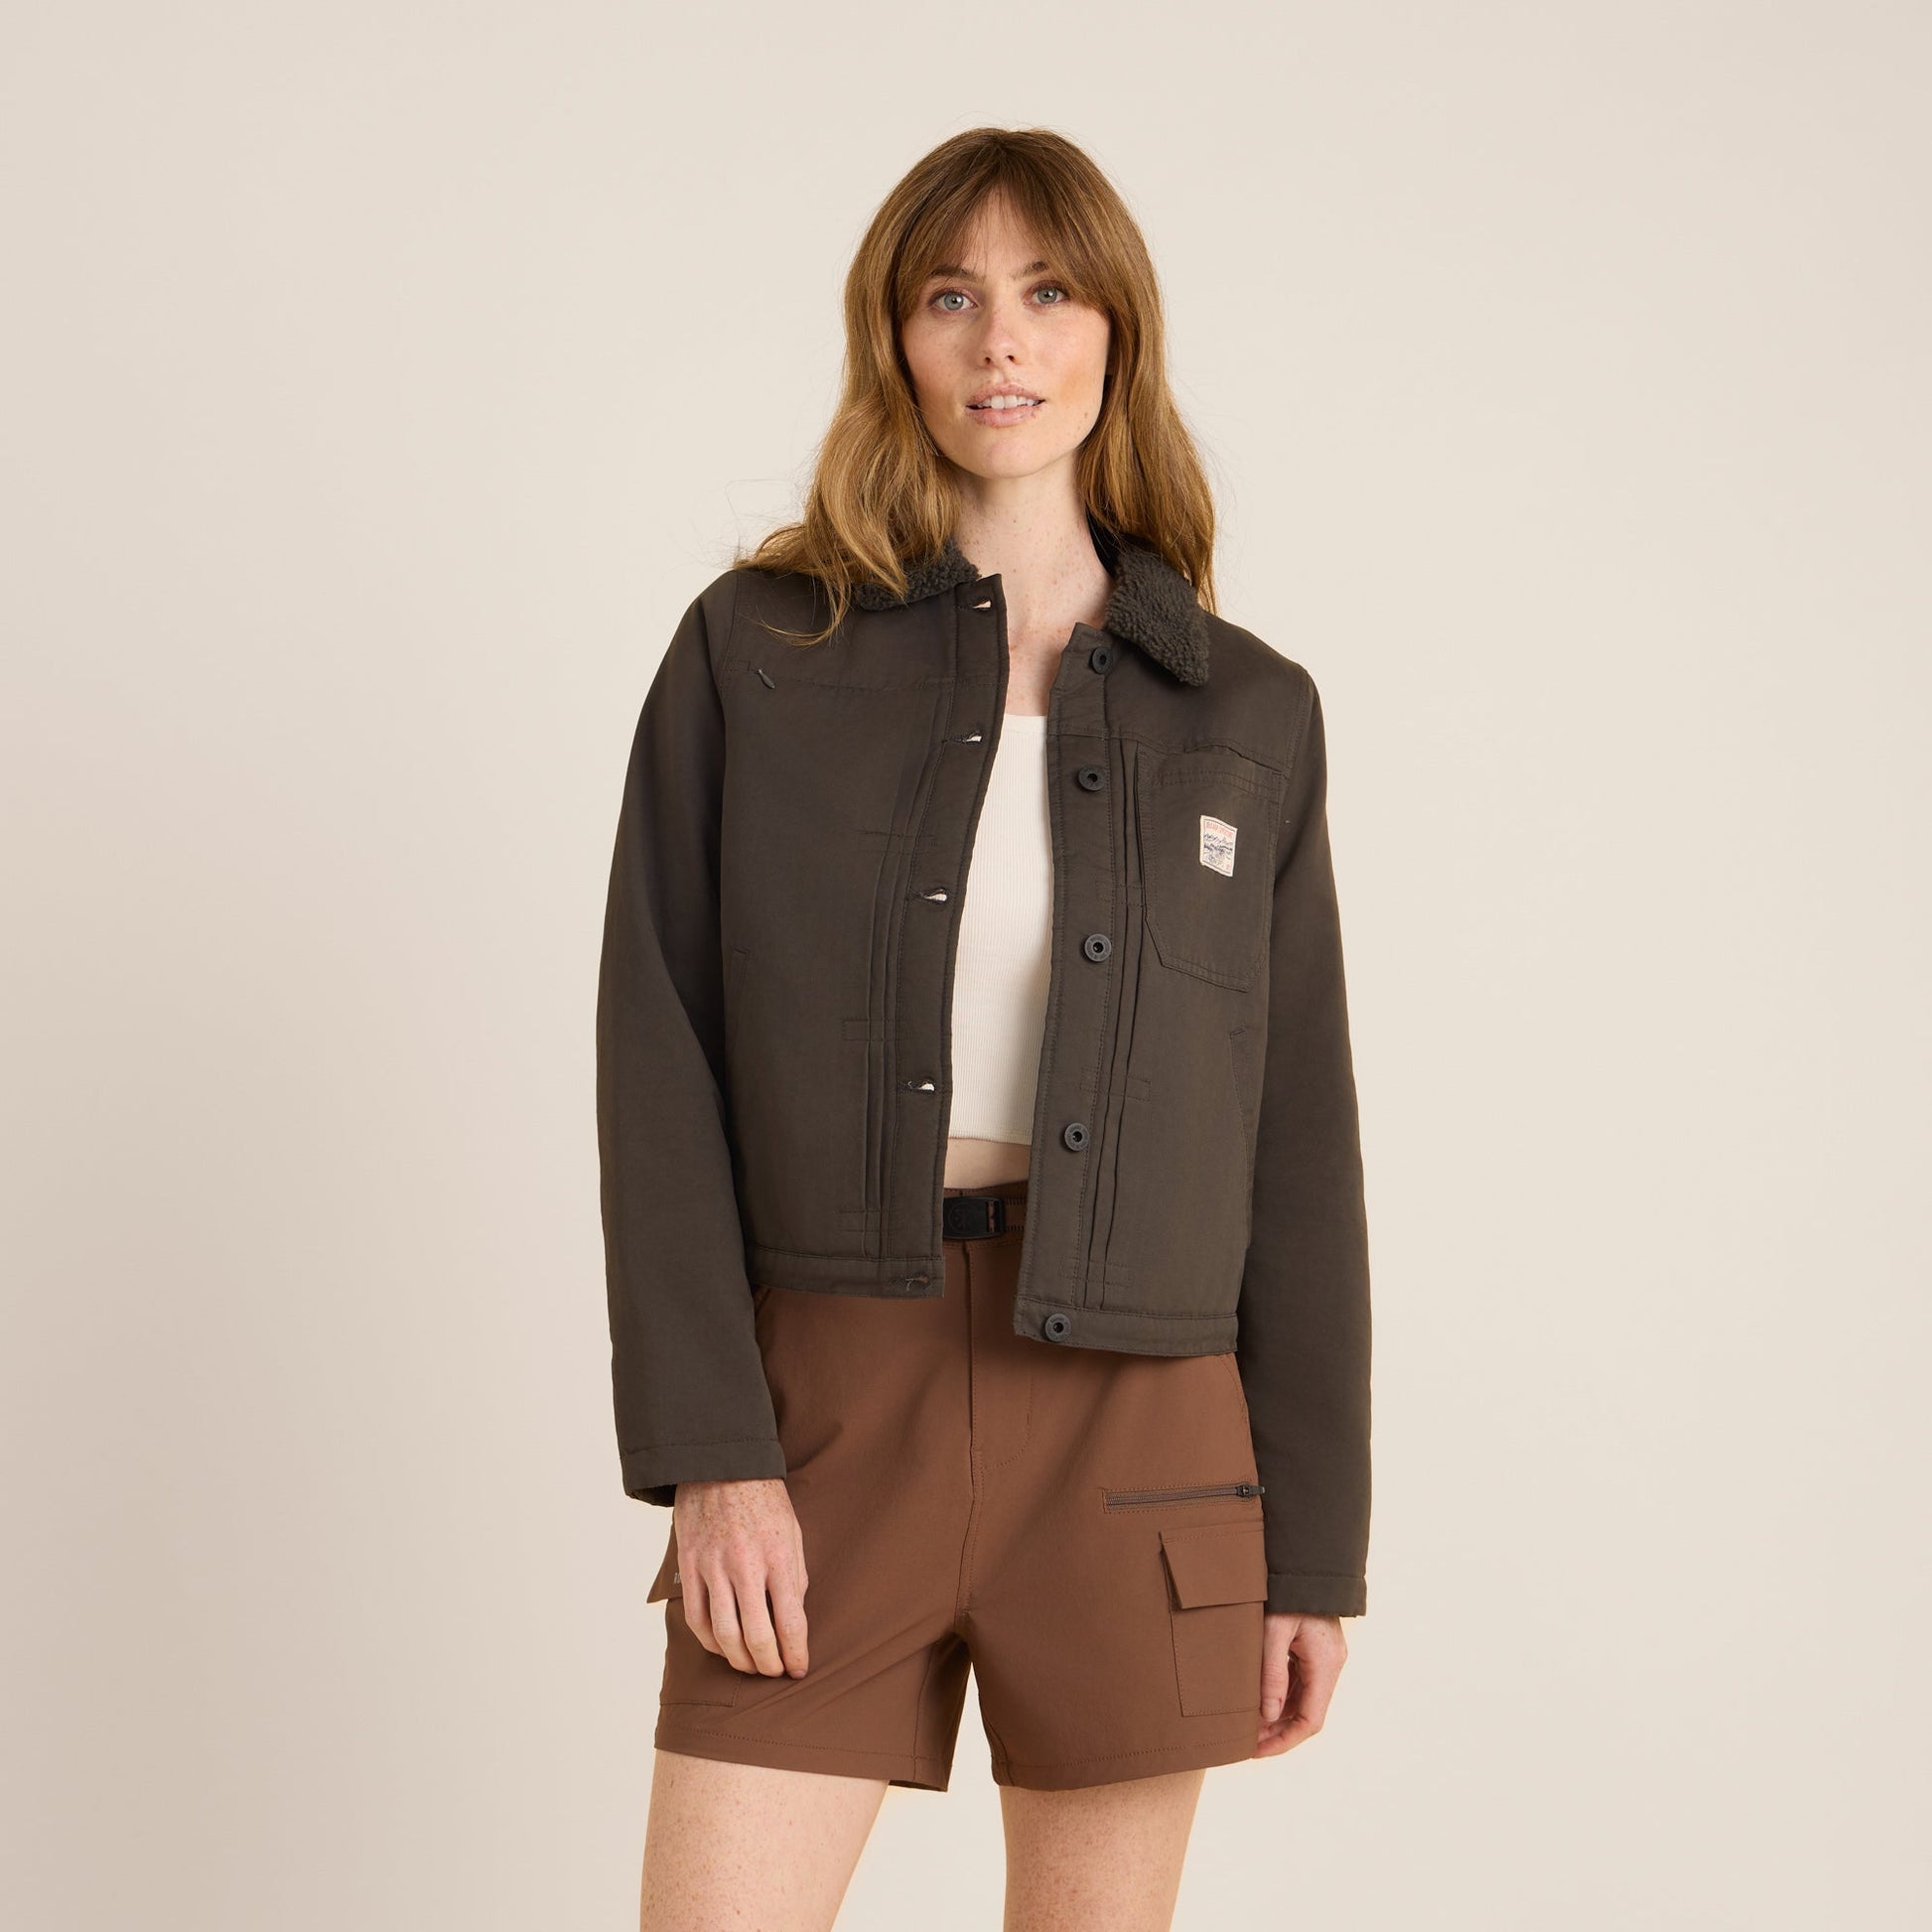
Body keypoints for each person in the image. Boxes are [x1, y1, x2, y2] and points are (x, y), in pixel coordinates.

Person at [596, 126, 1373, 1932]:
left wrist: (1312, 1544)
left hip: (1140, 1430)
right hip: (823, 1403)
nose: (1000, 339)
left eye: (1046, 292)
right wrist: (714, 1450)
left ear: (1116, 334)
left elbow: (1295, 1140)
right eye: (949, 295)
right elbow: (659, 1056)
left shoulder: (1245, 710)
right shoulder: (755, 651)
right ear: (894, 337)